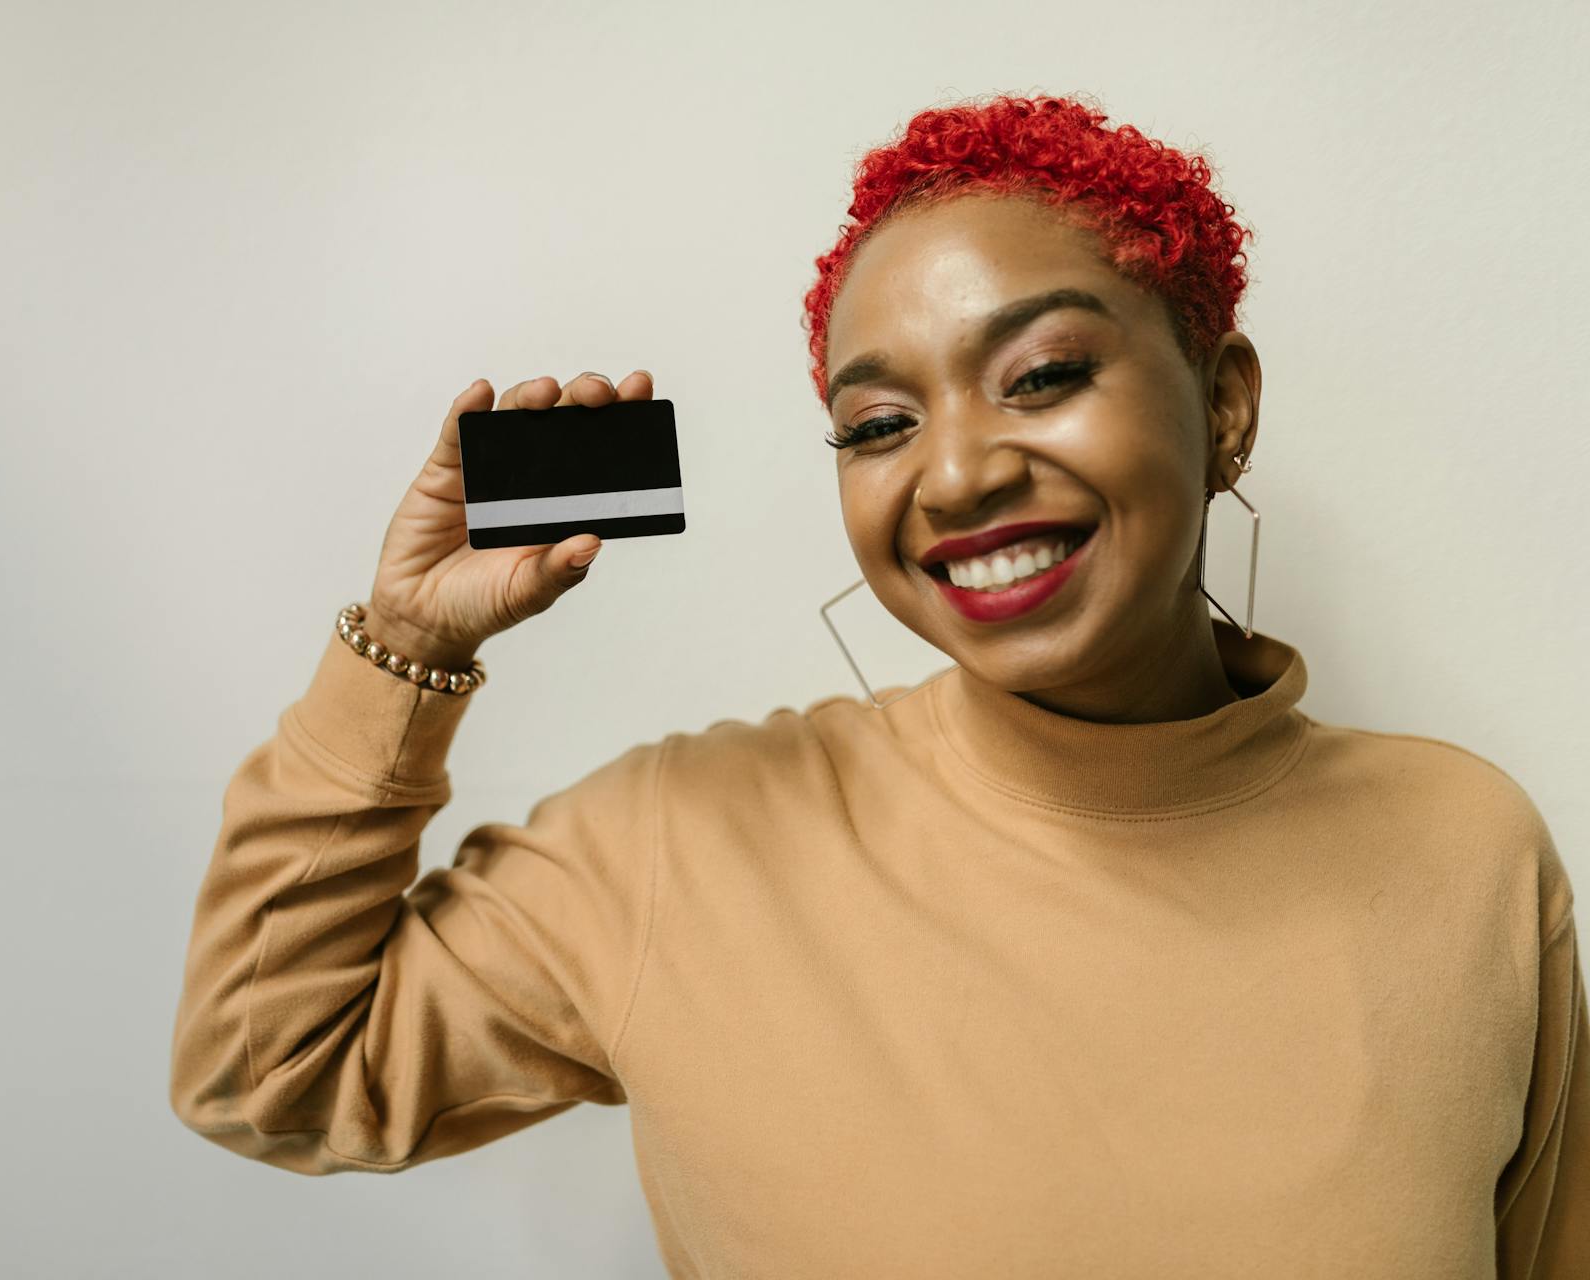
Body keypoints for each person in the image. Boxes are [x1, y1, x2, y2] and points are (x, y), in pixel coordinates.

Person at [168, 93, 1585, 1276]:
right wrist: (404, 651)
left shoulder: (1467, 852)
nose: (957, 472)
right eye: (880, 423)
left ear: (1224, 405)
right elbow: (263, 1072)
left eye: (1041, 375)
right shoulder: (683, 842)